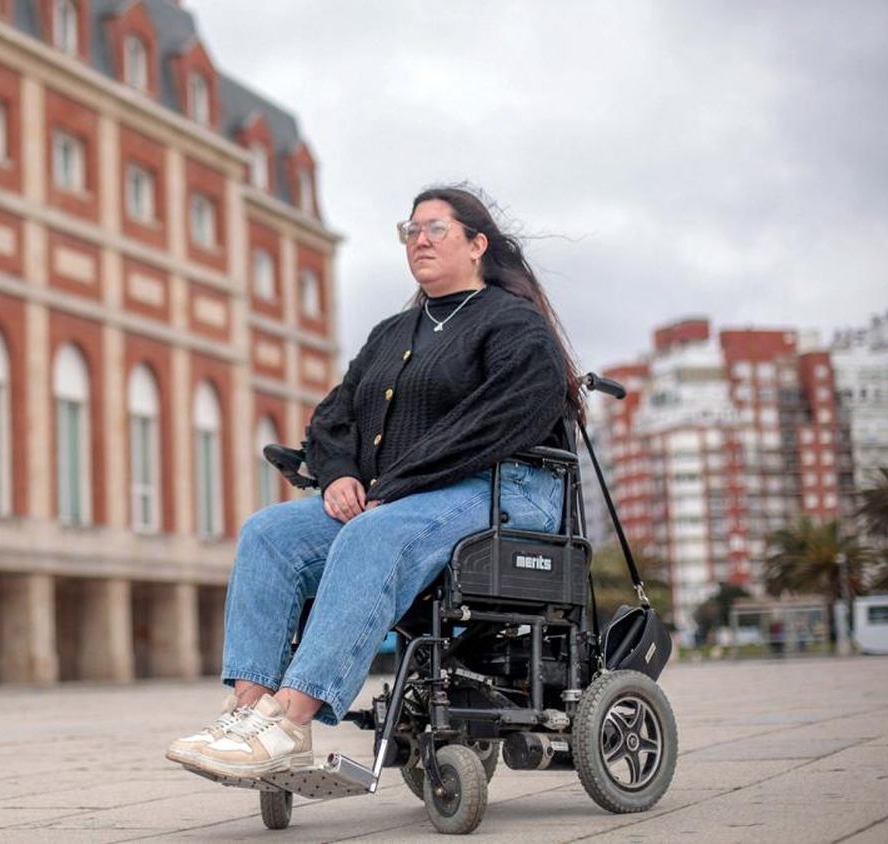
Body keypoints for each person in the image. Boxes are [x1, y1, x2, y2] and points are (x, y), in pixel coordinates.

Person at [167, 185, 581, 779]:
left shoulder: (514, 324)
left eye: (435, 228)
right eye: (410, 230)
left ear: (477, 244)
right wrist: (338, 475)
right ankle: (249, 712)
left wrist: (397, 484)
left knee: (373, 533)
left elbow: (494, 422)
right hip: (405, 496)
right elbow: (335, 416)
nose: (419, 240)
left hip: (509, 490)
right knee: (269, 533)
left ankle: (290, 719)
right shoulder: (392, 333)